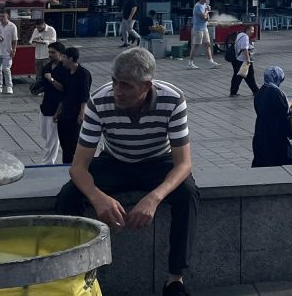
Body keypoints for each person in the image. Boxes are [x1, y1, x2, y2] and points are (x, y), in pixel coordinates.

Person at [55, 47, 197, 296]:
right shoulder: (99, 101)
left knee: (187, 193)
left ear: (147, 86)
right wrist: (98, 198)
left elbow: (183, 164)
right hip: (114, 161)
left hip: (158, 162)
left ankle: (175, 279)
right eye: (115, 82)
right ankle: (74, 273)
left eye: (126, 85)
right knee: (68, 196)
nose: (117, 91)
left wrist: (154, 198)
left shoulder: (173, 99)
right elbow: (78, 167)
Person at [56, 45, 92, 164]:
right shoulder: (66, 72)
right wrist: (58, 111)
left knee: (73, 142)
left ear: (70, 58)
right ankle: (65, 164)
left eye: (64, 57)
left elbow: (84, 95)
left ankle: (75, 165)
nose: (62, 59)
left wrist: (82, 113)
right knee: (64, 143)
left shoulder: (83, 74)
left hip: (75, 113)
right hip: (64, 113)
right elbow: (64, 94)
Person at [252, 66, 292, 166]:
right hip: (275, 133)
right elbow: (283, 113)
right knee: (281, 160)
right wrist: (290, 106)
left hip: (261, 131)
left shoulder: (261, 91)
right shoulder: (276, 93)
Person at [33, 42, 66, 163]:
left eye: (53, 52)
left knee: (52, 138)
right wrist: (38, 88)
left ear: (61, 54)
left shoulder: (64, 69)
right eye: (49, 52)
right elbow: (44, 84)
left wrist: (51, 79)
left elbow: (63, 88)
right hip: (45, 105)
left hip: (56, 107)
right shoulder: (47, 66)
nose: (50, 54)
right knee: (44, 133)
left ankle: (48, 162)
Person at [0, 9, 20, 95]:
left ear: (7, 17)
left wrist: (14, 50)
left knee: (6, 69)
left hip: (7, 50)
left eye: (3, 16)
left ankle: (9, 86)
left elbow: (15, 39)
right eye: (0, 16)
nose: (1, 18)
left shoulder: (12, 26)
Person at [187, 0, 218, 70]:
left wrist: (208, 12)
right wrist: (207, 11)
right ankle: (190, 63)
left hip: (204, 28)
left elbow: (207, 18)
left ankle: (211, 62)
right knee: (196, 46)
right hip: (198, 29)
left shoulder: (204, 5)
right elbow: (203, 17)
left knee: (208, 44)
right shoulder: (198, 6)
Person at [226, 27, 258, 98]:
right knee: (241, 77)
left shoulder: (240, 34)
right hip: (243, 60)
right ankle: (255, 91)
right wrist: (248, 59)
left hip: (238, 59)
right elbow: (244, 49)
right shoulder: (245, 37)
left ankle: (255, 91)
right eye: (252, 30)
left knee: (247, 76)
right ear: (247, 30)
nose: (253, 32)